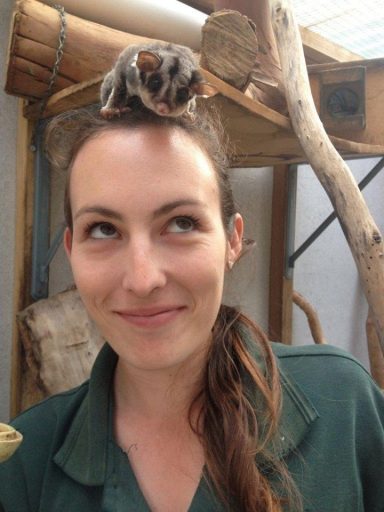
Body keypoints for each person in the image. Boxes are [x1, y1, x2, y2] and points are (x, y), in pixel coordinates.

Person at [0, 104, 383, 512]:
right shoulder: (26, 463)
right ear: (72, 250)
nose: (143, 279)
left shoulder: (345, 406)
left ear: (232, 240)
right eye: (104, 229)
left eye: (181, 223)